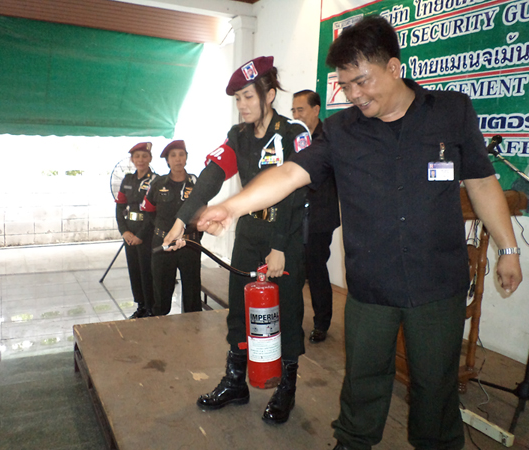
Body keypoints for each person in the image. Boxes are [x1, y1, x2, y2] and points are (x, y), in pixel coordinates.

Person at [193, 16, 522, 450]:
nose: (354, 94)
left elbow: (480, 182)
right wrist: (230, 207)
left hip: (438, 282)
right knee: (363, 381)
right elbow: (290, 173)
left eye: (361, 81)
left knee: (435, 386)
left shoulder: (451, 111)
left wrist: (508, 249)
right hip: (371, 286)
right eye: (345, 85)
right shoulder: (342, 130)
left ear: (394, 67)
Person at [163, 56, 312, 425]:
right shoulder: (238, 136)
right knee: (239, 311)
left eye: (248, 96)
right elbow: (211, 176)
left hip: (285, 235)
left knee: (286, 311)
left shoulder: (293, 133)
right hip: (249, 234)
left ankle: (286, 387)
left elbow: (299, 194)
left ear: (269, 94)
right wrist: (182, 220)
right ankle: (235, 382)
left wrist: (280, 246)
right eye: (237, 99)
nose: (242, 105)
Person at [292, 90, 340, 343]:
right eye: (293, 110)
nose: (296, 115)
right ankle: (292, 320)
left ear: (316, 110)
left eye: (300, 110)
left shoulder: (329, 138)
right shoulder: (293, 138)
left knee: (316, 269)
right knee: (293, 269)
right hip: (296, 216)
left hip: (320, 216)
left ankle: (322, 323)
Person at [141, 140, 202, 316]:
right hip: (163, 245)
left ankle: (193, 329)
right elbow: (148, 211)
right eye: (173, 155)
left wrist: (193, 236)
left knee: (192, 296)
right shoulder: (158, 183)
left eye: (181, 154)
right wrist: (161, 231)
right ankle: (160, 329)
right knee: (161, 295)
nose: (178, 159)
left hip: (189, 245)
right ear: (167, 160)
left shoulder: (195, 183)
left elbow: (202, 213)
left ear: (186, 158)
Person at [115, 142, 156, 319]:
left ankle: (151, 308)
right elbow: (119, 207)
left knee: (148, 271)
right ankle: (140, 306)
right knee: (135, 270)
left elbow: (154, 212)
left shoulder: (156, 181)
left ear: (150, 158)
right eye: (137, 156)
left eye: (144, 156)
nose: (141, 160)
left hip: (147, 232)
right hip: (129, 231)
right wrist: (124, 231)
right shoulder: (127, 180)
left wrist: (140, 235)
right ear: (132, 159)